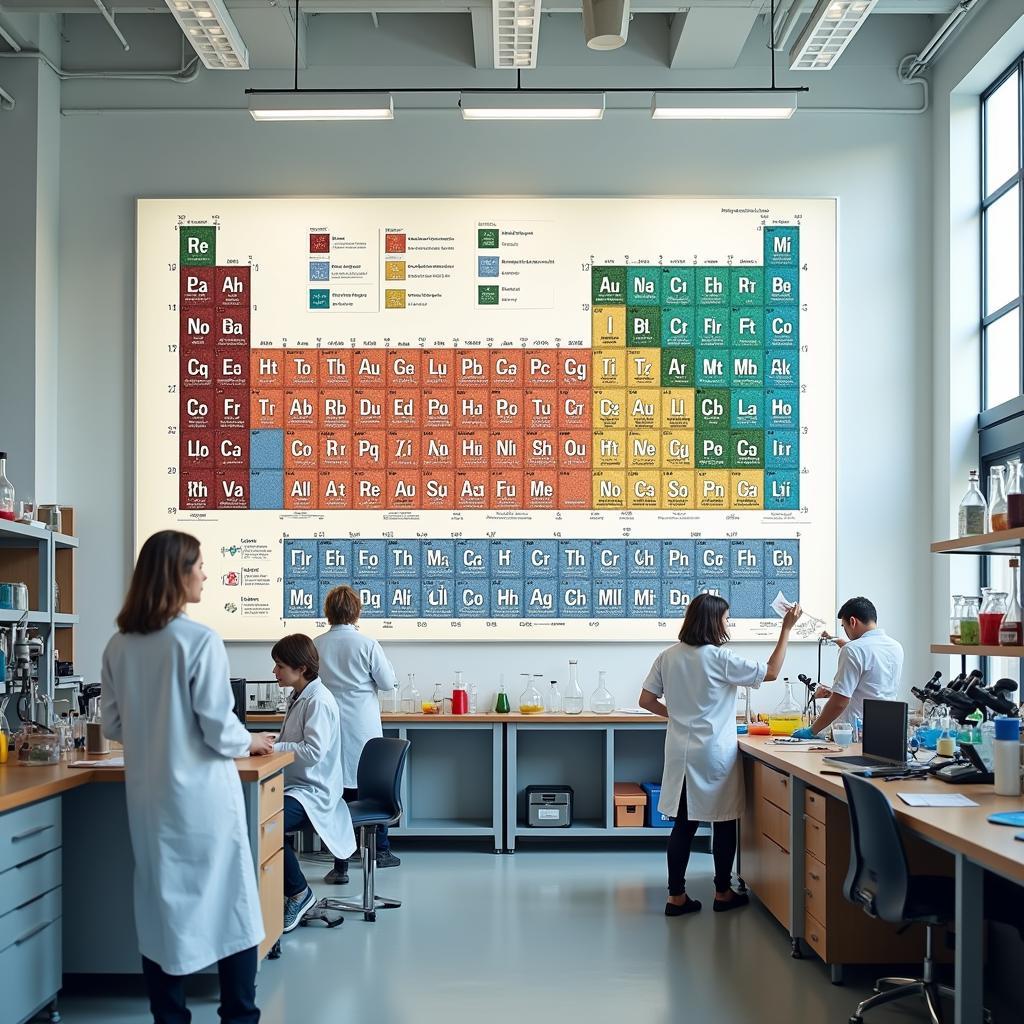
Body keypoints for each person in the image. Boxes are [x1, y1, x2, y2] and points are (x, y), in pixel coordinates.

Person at [101, 531, 273, 1024]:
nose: (205, 574)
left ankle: (169, 1017)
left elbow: (113, 725)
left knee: (161, 912)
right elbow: (219, 729)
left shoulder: (119, 645)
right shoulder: (199, 640)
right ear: (176, 573)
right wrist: (250, 741)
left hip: (151, 804)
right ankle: (239, 1015)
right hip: (202, 802)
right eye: (199, 565)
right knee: (233, 912)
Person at [638, 593, 802, 917]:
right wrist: (786, 629)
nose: (728, 624)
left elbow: (645, 700)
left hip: (680, 752)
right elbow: (770, 672)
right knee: (724, 820)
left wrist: (676, 716)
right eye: (726, 619)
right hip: (713, 752)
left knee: (683, 825)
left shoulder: (667, 656)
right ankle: (723, 892)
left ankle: (676, 897)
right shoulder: (720, 658)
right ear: (714, 622)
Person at [269, 633, 357, 932]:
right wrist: (274, 742)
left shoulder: (318, 700)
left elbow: (312, 751)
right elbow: (297, 741)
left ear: (302, 668)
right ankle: (282, 893)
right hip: (298, 786)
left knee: (266, 823)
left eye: (280, 666)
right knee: (256, 817)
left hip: (313, 792)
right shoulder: (301, 695)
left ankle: (299, 893)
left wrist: (274, 748)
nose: (274, 672)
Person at [315, 584, 398, 884]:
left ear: (328, 613)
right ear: (356, 611)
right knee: (370, 786)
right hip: (362, 726)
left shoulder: (316, 645)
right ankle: (381, 851)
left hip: (328, 725)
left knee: (337, 789)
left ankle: (341, 862)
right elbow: (387, 684)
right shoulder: (367, 644)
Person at [792, 596, 904, 739]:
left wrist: (812, 731)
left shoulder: (852, 650)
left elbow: (839, 702)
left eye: (844, 627)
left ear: (852, 621)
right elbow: (871, 682)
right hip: (885, 730)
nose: (845, 632)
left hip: (854, 734)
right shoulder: (895, 647)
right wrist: (843, 644)